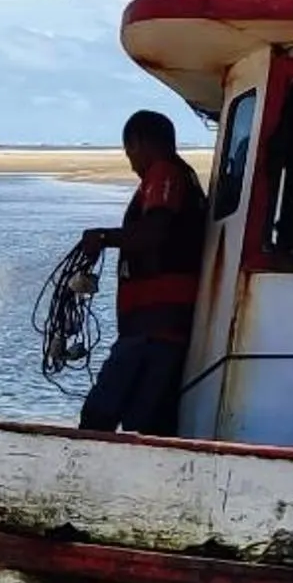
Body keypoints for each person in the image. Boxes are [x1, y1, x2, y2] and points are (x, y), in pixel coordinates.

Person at [68, 111, 208, 438]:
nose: (131, 162)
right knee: (148, 422)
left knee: (98, 415)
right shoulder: (185, 178)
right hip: (164, 328)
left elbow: (156, 233)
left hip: (151, 330)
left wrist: (103, 238)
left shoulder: (163, 173)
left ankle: (77, 477)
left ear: (140, 142)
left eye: (129, 152)